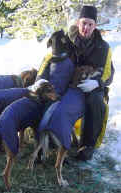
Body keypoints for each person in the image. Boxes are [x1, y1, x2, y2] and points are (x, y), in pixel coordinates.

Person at [37, 5, 114, 161]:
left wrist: (97, 83)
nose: (86, 27)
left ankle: (87, 146)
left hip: (92, 85)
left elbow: (109, 74)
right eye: (84, 23)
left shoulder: (103, 47)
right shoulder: (67, 39)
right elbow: (49, 58)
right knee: (55, 97)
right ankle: (49, 137)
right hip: (69, 81)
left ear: (95, 26)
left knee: (95, 101)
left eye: (90, 24)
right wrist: (40, 78)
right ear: (78, 22)